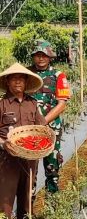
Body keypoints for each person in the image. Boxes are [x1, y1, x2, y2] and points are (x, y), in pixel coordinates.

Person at [0, 63, 45, 219]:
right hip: (6, 160)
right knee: (5, 202)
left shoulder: (32, 103)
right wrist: (3, 143)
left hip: (29, 159)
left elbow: (42, 128)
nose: (18, 82)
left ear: (26, 82)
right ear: (7, 81)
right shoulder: (2, 104)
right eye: (14, 79)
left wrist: (43, 141)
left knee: (27, 202)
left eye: (21, 79)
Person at [28, 39, 71, 193]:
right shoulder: (26, 74)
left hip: (51, 128)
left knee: (51, 166)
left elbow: (62, 104)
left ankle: (52, 206)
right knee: (29, 169)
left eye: (44, 55)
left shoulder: (58, 75)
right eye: (38, 55)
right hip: (29, 129)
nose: (41, 58)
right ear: (33, 56)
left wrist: (43, 121)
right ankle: (28, 209)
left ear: (50, 57)